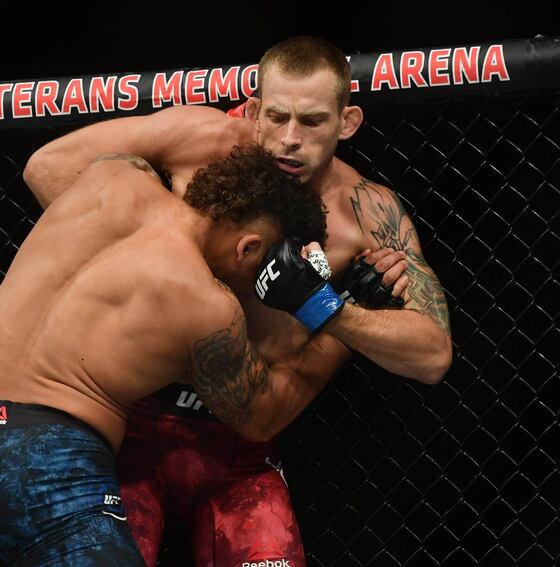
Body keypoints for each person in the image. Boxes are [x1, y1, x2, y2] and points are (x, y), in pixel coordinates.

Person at [23, 36, 452, 567]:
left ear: (348, 122)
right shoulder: (203, 141)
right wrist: (165, 260)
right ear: (253, 111)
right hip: (132, 416)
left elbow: (431, 356)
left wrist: (326, 307)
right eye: (276, 117)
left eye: (313, 122)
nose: (290, 139)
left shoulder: (364, 212)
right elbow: (49, 166)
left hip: (239, 446)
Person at [0, 143, 334, 566]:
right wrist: (338, 322)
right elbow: (262, 416)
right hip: (51, 464)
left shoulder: (108, 177)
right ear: (249, 247)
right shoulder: (206, 304)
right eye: (258, 270)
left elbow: (48, 162)